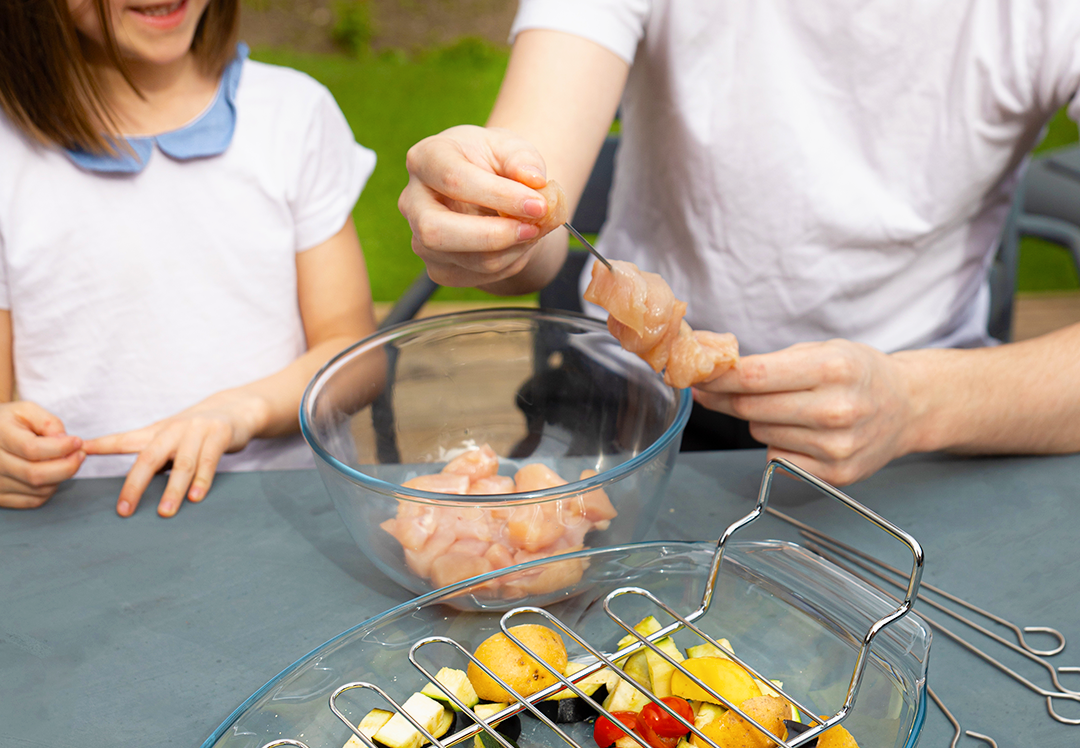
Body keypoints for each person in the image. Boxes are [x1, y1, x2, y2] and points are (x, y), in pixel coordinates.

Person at [399, 1, 1080, 486]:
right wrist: (488, 218)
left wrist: (916, 401)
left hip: (928, 427)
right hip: (626, 403)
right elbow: (532, 211)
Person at [0, 0, 378, 516]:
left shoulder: (293, 113)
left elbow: (354, 357)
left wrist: (240, 412)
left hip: (285, 514)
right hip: (76, 526)